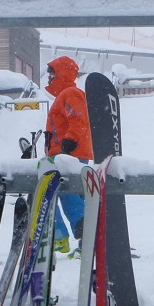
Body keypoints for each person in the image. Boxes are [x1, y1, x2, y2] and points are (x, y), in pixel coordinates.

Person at [44, 55, 94, 254]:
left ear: (61, 74)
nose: (48, 78)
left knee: (63, 193)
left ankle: (74, 235)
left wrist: (69, 141)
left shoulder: (71, 93)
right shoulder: (64, 95)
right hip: (67, 153)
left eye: (52, 74)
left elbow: (78, 120)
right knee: (71, 194)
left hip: (69, 154)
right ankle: (80, 239)